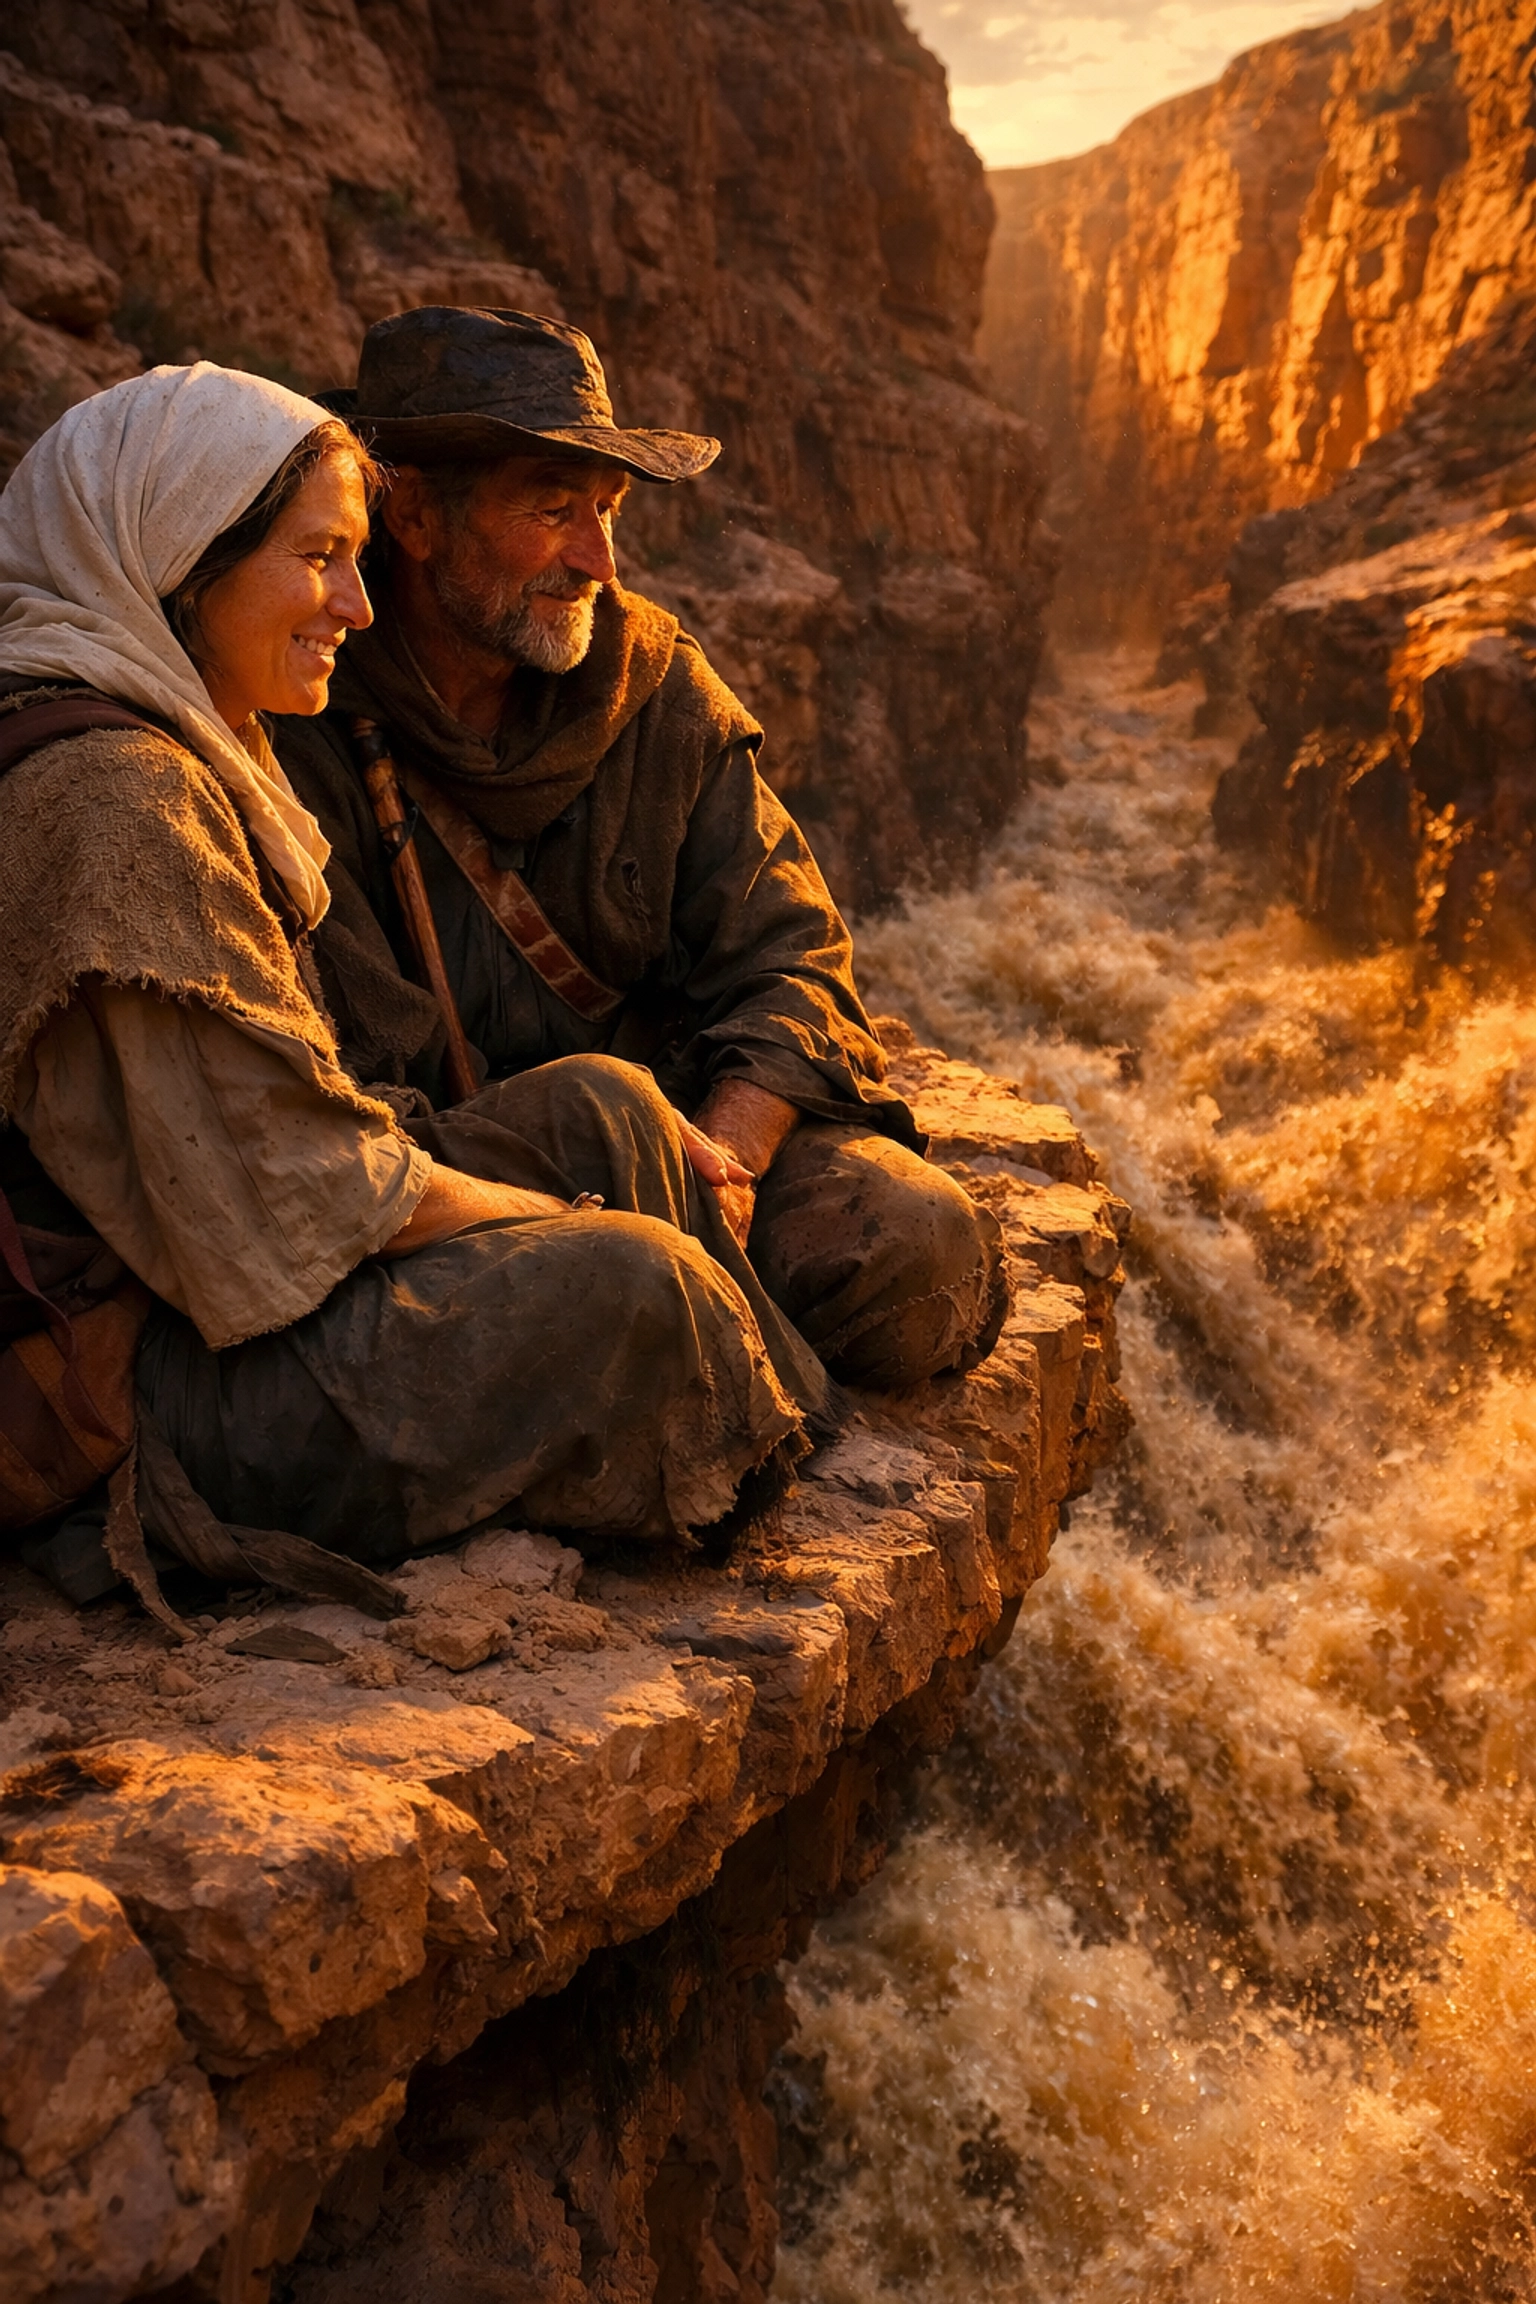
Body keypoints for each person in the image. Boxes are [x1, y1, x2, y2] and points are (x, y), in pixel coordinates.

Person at [0, 362, 827, 1601]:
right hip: (135, 1385)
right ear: (184, 558)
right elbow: (292, 1204)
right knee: (630, 1283)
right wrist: (561, 1227)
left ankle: (776, 1464)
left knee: (604, 1105)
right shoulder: (117, 800)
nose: (358, 602)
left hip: (221, 1284)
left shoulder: (187, 750)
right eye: (320, 558)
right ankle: (745, 1520)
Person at [274, 305, 1009, 1396]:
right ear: (414, 514)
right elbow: (327, 1112)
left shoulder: (656, 689)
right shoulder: (300, 716)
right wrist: (583, 1171)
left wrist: (726, 1161)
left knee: (918, 1253)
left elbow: (793, 958)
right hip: (446, 1205)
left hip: (693, 1147)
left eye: (609, 511)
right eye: (555, 509)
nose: (599, 562)